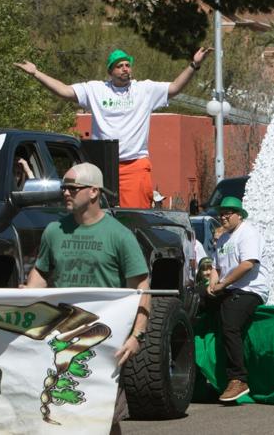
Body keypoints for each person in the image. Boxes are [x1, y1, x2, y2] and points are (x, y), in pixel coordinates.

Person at [23, 163, 150, 435]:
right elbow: (41, 274)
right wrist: (23, 301)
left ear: (93, 192)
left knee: (103, 416)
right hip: (59, 336)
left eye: (72, 188)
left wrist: (136, 336)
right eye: (64, 188)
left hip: (105, 340)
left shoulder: (119, 235)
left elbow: (141, 288)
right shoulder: (54, 231)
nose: (65, 193)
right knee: (61, 409)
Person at [14, 47, 213, 208]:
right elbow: (65, 91)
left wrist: (194, 65)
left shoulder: (145, 89)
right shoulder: (96, 89)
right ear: (111, 71)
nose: (125, 68)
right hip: (101, 166)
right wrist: (36, 73)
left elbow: (174, 88)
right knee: (96, 213)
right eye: (120, 66)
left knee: (134, 216)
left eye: (128, 65)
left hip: (135, 164)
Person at [207, 196, 270, 403]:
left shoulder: (248, 233)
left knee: (230, 321)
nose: (223, 216)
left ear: (239, 215)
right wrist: (211, 285)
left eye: (228, 212)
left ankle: (238, 378)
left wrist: (222, 285)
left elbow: (247, 265)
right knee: (195, 301)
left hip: (250, 289)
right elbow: (216, 268)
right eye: (221, 213)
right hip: (229, 288)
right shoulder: (224, 238)